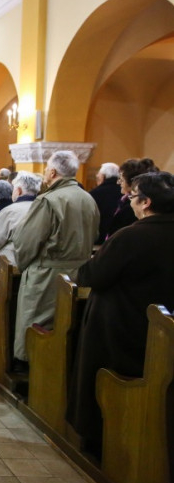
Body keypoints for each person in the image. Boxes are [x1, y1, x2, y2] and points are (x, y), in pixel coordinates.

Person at [67, 171, 174, 458]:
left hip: (121, 325)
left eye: (132, 197)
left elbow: (93, 275)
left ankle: (100, 438)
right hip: (162, 331)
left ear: (146, 202)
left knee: (105, 380)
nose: (128, 201)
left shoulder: (131, 236)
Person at [12, 151, 99, 368]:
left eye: (46, 170)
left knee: (38, 325)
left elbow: (28, 240)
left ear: (52, 172)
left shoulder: (48, 200)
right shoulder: (88, 198)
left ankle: (34, 371)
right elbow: (95, 234)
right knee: (68, 326)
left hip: (48, 274)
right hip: (79, 272)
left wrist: (23, 265)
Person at [0, 171, 41, 295]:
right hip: (36, 274)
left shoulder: (10, 211)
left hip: (8, 272)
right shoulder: (44, 209)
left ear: (18, 191)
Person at [106, 158, 158, 240]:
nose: (118, 182)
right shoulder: (124, 202)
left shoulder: (132, 207)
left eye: (121, 179)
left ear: (132, 183)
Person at [89, 162, 122, 244]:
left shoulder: (94, 194)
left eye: (98, 177)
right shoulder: (124, 192)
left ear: (103, 177)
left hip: (99, 239)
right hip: (120, 237)